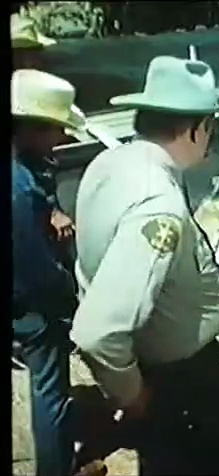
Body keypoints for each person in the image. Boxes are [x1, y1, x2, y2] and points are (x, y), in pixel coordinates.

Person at [70, 55, 219, 475]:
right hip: (177, 382)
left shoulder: (111, 162)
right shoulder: (157, 205)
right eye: (211, 127)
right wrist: (133, 394)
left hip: (160, 361)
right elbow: (96, 333)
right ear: (195, 128)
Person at [12, 69, 85, 476]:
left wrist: (50, 209)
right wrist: (68, 294)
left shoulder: (26, 168)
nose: (62, 137)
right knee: (50, 392)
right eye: (56, 129)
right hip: (32, 307)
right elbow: (36, 268)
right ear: (32, 128)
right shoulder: (18, 187)